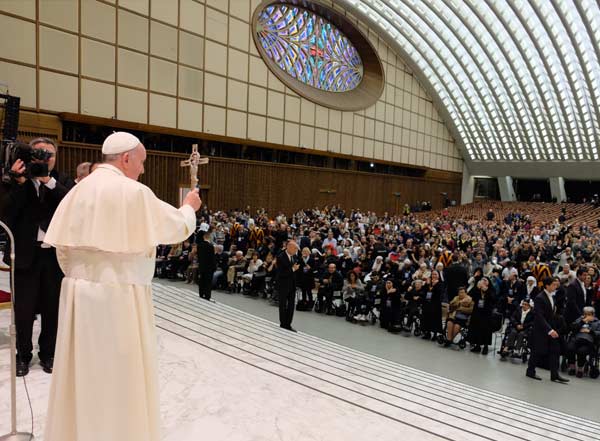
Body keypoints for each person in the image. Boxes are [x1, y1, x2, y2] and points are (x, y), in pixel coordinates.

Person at [42, 132, 202, 441]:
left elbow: (63, 252)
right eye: (141, 162)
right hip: (120, 299)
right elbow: (175, 227)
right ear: (126, 158)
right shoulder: (133, 192)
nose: (142, 169)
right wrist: (189, 207)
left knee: (83, 375)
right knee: (119, 379)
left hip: (78, 297)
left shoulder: (77, 190)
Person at [1, 137, 74, 376]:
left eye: (49, 154)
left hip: (54, 257)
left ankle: (49, 354)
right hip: (24, 256)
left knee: (52, 309)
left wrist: (47, 181)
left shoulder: (61, 180)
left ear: (55, 158)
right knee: (23, 311)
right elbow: (6, 212)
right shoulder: (16, 179)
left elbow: (70, 205)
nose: (45, 158)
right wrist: (18, 181)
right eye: (39, 153)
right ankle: (22, 355)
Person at [526, 277, 570, 383]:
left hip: (550, 328)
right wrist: (549, 330)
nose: (556, 286)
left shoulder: (552, 297)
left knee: (555, 349)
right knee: (536, 351)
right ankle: (530, 371)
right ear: (547, 285)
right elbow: (539, 316)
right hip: (541, 329)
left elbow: (551, 314)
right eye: (554, 284)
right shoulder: (540, 298)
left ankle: (554, 375)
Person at [566, 306, 600, 378]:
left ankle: (580, 369)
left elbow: (599, 333)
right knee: (570, 348)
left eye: (589, 314)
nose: (587, 316)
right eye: (585, 314)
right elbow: (572, 327)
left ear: (593, 314)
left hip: (588, 341)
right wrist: (582, 321)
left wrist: (590, 331)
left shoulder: (597, 322)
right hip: (577, 338)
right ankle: (572, 367)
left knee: (581, 351)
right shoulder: (580, 319)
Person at [276, 240, 300, 332]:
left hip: (292, 285)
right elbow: (281, 273)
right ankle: (283, 323)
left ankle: (288, 324)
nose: (296, 251)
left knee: (291, 305)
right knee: (282, 305)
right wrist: (293, 269)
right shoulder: (281, 257)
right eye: (295, 249)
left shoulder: (294, 257)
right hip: (283, 284)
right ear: (289, 247)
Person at [421, 270, 444, 341]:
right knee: (427, 317)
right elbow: (423, 292)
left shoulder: (440, 284)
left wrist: (434, 285)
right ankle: (427, 333)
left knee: (435, 319)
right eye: (433, 274)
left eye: (435, 274)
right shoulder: (428, 283)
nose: (434, 276)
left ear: (438, 276)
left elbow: (439, 293)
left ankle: (435, 334)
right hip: (427, 303)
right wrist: (427, 285)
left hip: (435, 304)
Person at [196, 223, 216, 301]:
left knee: (202, 280)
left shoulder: (199, 245)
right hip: (209, 267)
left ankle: (201, 294)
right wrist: (214, 267)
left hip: (202, 265)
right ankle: (207, 296)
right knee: (208, 282)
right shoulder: (210, 246)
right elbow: (212, 258)